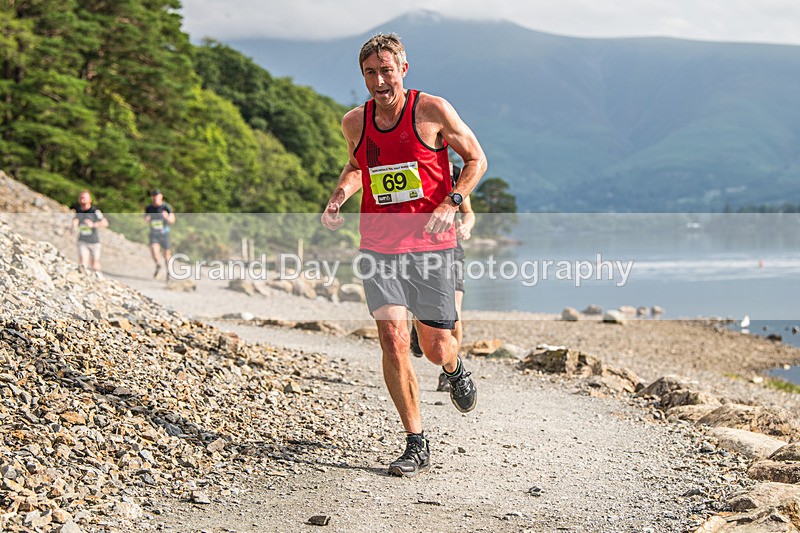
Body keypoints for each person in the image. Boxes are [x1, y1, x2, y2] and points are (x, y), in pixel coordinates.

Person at [320, 33, 487, 477]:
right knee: (394, 339)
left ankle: (453, 366)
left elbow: (476, 160)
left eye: (386, 71)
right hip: (379, 244)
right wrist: (338, 196)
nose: (379, 80)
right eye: (370, 73)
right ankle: (416, 442)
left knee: (433, 347)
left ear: (403, 70)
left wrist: (451, 202)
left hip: (433, 245)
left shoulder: (432, 110)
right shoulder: (355, 122)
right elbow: (359, 168)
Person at [409, 163, 476, 392]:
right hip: (415, 246)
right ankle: (419, 327)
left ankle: (449, 372)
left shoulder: (456, 173)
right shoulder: (412, 165)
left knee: (454, 313)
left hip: (451, 249)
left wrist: (466, 227)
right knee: (419, 306)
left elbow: (469, 213)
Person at [71, 190, 109, 276]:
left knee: (95, 264)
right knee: (83, 263)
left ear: (90, 200)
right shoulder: (78, 209)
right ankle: (84, 280)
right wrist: (73, 226)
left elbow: (105, 223)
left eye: (84, 197)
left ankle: (100, 279)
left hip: (94, 242)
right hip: (82, 241)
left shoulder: (95, 211)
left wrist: (93, 225)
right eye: (81, 197)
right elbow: (76, 219)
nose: (82, 199)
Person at [144, 189, 176, 279]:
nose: (155, 198)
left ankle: (169, 272)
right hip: (154, 233)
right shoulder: (149, 208)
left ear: (161, 196)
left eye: (157, 196)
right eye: (154, 196)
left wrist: (167, 217)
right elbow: (146, 218)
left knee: (166, 254)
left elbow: (173, 220)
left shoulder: (166, 207)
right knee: (154, 251)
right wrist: (147, 219)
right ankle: (158, 265)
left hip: (164, 233)